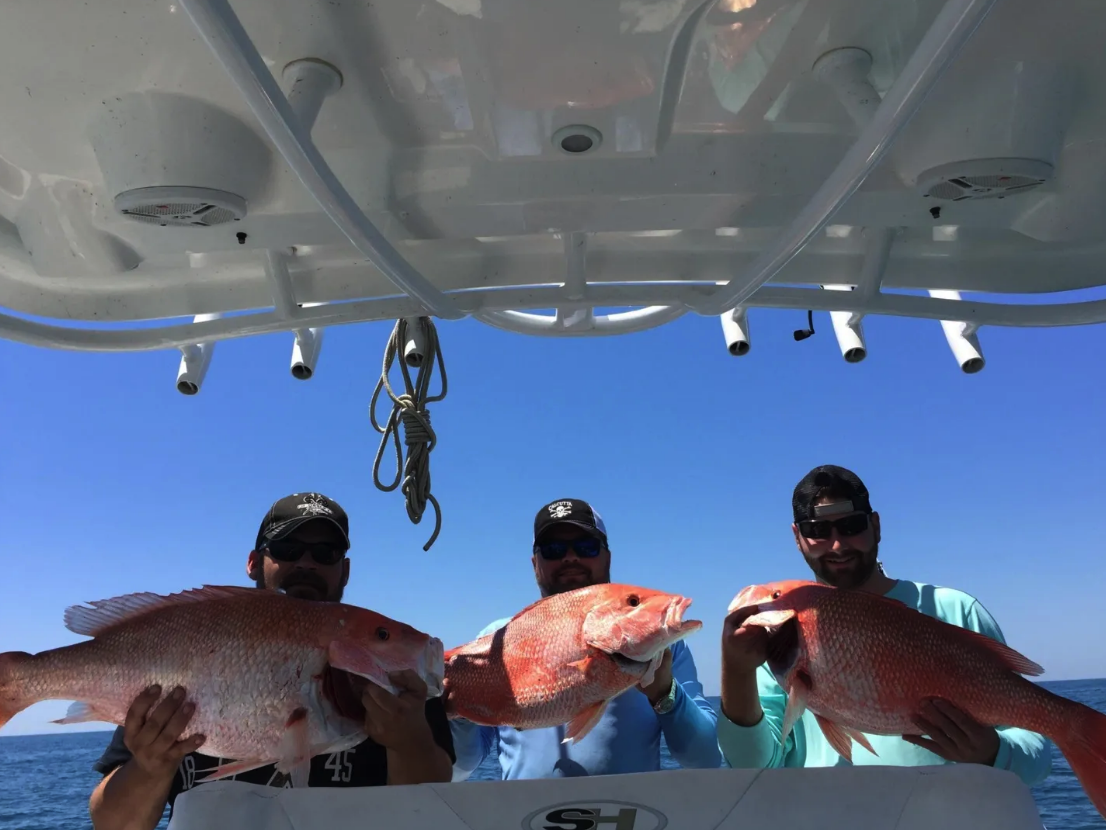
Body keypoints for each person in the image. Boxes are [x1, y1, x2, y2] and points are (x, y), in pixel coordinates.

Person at [88, 492, 455, 830]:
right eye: (286, 548)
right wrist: (151, 767)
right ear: (253, 562)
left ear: (344, 570)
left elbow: (429, 813)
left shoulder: (400, 680)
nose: (306, 563)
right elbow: (112, 824)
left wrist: (410, 742)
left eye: (325, 553)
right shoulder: (180, 647)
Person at [717, 465, 1053, 786]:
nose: (837, 544)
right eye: (817, 531)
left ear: (875, 525)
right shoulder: (777, 637)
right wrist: (737, 671)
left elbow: (1037, 758)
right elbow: (753, 765)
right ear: (797, 537)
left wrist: (993, 753)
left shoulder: (956, 610)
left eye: (851, 526)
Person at [451, 498, 723, 779]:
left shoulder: (668, 647)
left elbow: (705, 759)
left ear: (607, 557)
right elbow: (459, 770)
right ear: (535, 564)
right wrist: (457, 711)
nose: (570, 557)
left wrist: (665, 692)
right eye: (553, 549)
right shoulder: (494, 640)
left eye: (586, 547)